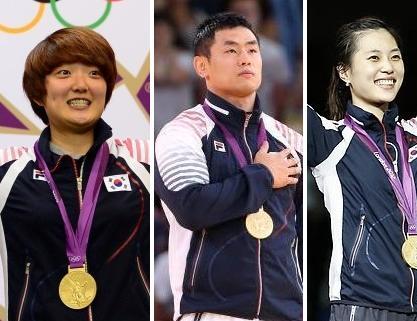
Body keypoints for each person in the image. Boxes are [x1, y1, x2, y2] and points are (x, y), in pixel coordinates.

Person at [155, 12, 303, 321]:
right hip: (213, 312)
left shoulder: (289, 139)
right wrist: (263, 175)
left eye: (252, 49)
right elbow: (191, 207)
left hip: (286, 313)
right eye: (231, 50)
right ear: (202, 66)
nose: (245, 59)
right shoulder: (182, 132)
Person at [308, 16, 417, 320]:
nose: (388, 67)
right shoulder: (330, 141)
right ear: (344, 71)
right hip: (364, 306)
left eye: (395, 56)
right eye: (373, 57)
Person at [0, 27, 150, 320]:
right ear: (38, 93)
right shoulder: (9, 171)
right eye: (64, 73)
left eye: (95, 73)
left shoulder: (141, 162)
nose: (81, 84)